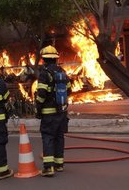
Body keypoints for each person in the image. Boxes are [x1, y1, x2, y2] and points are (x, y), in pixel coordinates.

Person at [35, 45, 71, 177]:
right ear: (56, 59)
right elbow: (69, 90)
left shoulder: (44, 74)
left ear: (44, 59)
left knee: (48, 138)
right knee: (59, 137)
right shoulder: (62, 72)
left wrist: (38, 107)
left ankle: (49, 167)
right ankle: (59, 164)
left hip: (48, 113)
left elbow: (41, 94)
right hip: (61, 112)